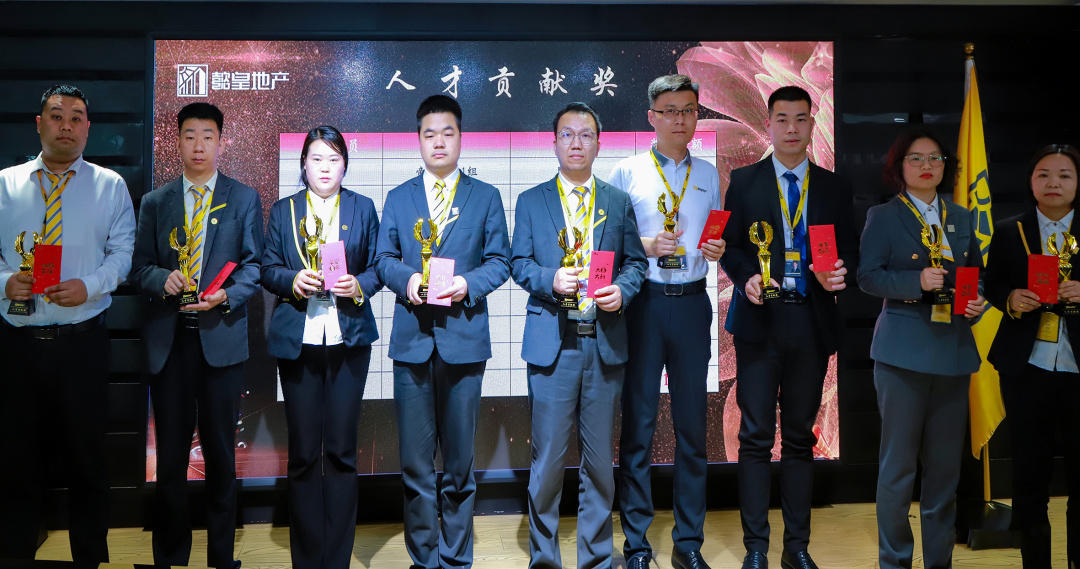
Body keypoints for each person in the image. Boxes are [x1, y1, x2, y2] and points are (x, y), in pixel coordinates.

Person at [719, 85, 857, 569]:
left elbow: (849, 251)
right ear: (769, 123)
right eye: (783, 119)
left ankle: (796, 548)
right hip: (760, 321)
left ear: (813, 123)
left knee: (800, 438)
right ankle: (756, 548)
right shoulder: (745, 181)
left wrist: (839, 273)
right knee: (755, 437)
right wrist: (746, 278)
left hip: (811, 321)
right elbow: (731, 247)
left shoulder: (834, 187)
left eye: (801, 119)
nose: (792, 129)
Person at [0, 84, 136, 563]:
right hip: (17, 344)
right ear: (39, 124)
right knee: (15, 460)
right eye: (57, 116)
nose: (67, 125)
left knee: (87, 460)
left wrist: (90, 286)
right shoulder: (5, 183)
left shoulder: (110, 186)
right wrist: (3, 282)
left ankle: (88, 559)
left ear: (88, 129)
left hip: (82, 342)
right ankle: (15, 556)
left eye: (77, 117)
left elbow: (123, 254)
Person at [374, 95, 510, 569]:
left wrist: (466, 285)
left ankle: (455, 559)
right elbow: (383, 259)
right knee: (415, 464)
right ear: (418, 140)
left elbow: (500, 261)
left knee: (459, 464)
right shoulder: (399, 197)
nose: (438, 142)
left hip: (463, 341)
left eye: (447, 133)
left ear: (460, 138)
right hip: (412, 342)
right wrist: (410, 280)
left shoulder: (485, 196)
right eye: (429, 133)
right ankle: (423, 559)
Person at [511, 101, 648, 569]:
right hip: (554, 345)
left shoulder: (616, 201)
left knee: (600, 464)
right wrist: (550, 279)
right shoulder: (531, 201)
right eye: (567, 134)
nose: (576, 143)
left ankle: (595, 560)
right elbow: (518, 264)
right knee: (548, 461)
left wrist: (622, 291)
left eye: (585, 135)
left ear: (598, 144)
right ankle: (545, 560)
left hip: (603, 342)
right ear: (554, 144)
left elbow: (636, 263)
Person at [130, 102, 262, 569]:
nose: (199, 145)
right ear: (178, 141)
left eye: (208, 135)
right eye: (190, 135)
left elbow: (254, 267)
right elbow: (138, 267)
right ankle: (170, 557)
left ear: (221, 142)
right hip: (171, 345)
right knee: (170, 459)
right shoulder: (156, 201)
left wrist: (226, 296)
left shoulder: (243, 198)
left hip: (220, 341)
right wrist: (160, 279)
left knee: (221, 457)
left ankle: (221, 560)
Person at [607, 74, 724, 569]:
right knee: (638, 425)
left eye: (688, 110)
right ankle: (636, 545)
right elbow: (608, 243)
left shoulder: (709, 174)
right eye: (670, 111)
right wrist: (647, 246)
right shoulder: (627, 171)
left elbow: (714, 233)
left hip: (693, 304)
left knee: (692, 428)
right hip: (644, 305)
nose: (680, 120)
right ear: (651, 117)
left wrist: (716, 249)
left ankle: (688, 543)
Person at [857, 126, 985, 569]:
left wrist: (976, 299)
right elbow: (868, 277)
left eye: (935, 159)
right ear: (900, 166)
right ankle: (895, 561)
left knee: (945, 471)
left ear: (946, 166)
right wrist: (916, 282)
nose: (927, 166)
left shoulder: (961, 217)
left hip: (953, 353)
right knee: (898, 469)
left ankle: (939, 563)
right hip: (902, 355)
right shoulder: (884, 216)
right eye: (916, 158)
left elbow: (975, 275)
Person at [262, 125, 382, 569]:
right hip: (300, 341)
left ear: (345, 164)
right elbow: (267, 268)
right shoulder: (284, 210)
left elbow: (379, 266)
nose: (325, 168)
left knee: (342, 452)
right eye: (316, 159)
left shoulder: (362, 207)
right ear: (304, 165)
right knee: (303, 454)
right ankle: (308, 558)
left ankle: (337, 559)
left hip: (349, 341)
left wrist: (359, 284)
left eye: (334, 159)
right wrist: (293, 280)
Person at [985, 144, 1080, 569]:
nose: (1053, 182)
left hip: (1078, 370)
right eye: (1044, 174)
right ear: (1031, 181)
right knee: (1028, 477)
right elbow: (992, 282)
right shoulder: (1010, 230)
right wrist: (1010, 298)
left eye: (1064, 175)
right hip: (1027, 368)